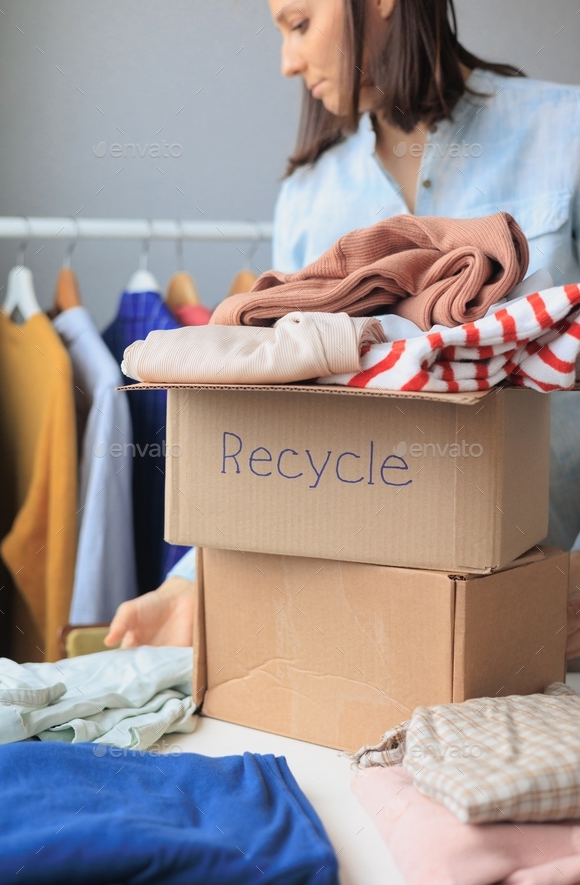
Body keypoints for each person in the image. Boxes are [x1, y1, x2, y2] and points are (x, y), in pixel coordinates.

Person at [106, 0, 580, 656]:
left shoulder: (567, 135)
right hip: (362, 638)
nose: (287, 63)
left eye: (299, 24)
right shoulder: (307, 199)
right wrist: (194, 585)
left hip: (552, 629)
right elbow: (274, 425)